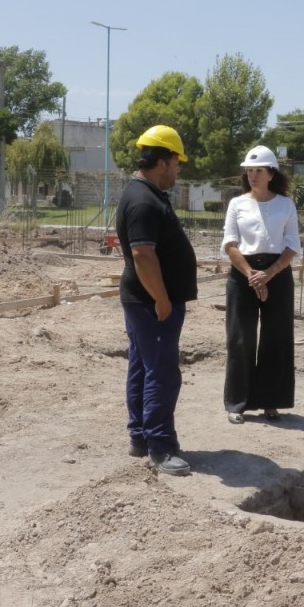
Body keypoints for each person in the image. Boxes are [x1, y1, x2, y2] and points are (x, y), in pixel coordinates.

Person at [116, 125, 198, 477]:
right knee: (163, 373)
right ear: (162, 161)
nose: (178, 170)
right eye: (176, 163)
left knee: (142, 367)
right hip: (151, 304)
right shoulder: (143, 200)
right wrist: (162, 299)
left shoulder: (144, 194)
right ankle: (160, 447)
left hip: (144, 301)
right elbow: (143, 256)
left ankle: (141, 436)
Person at [220, 145, 301, 424]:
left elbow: (292, 246)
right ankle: (237, 402)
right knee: (240, 337)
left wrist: (270, 273)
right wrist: (252, 274)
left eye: (258, 171)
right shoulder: (237, 204)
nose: (252, 176)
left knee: (275, 337)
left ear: (270, 174)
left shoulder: (285, 204)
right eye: (249, 171)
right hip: (242, 274)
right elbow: (230, 244)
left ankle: (270, 401)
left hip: (277, 274)